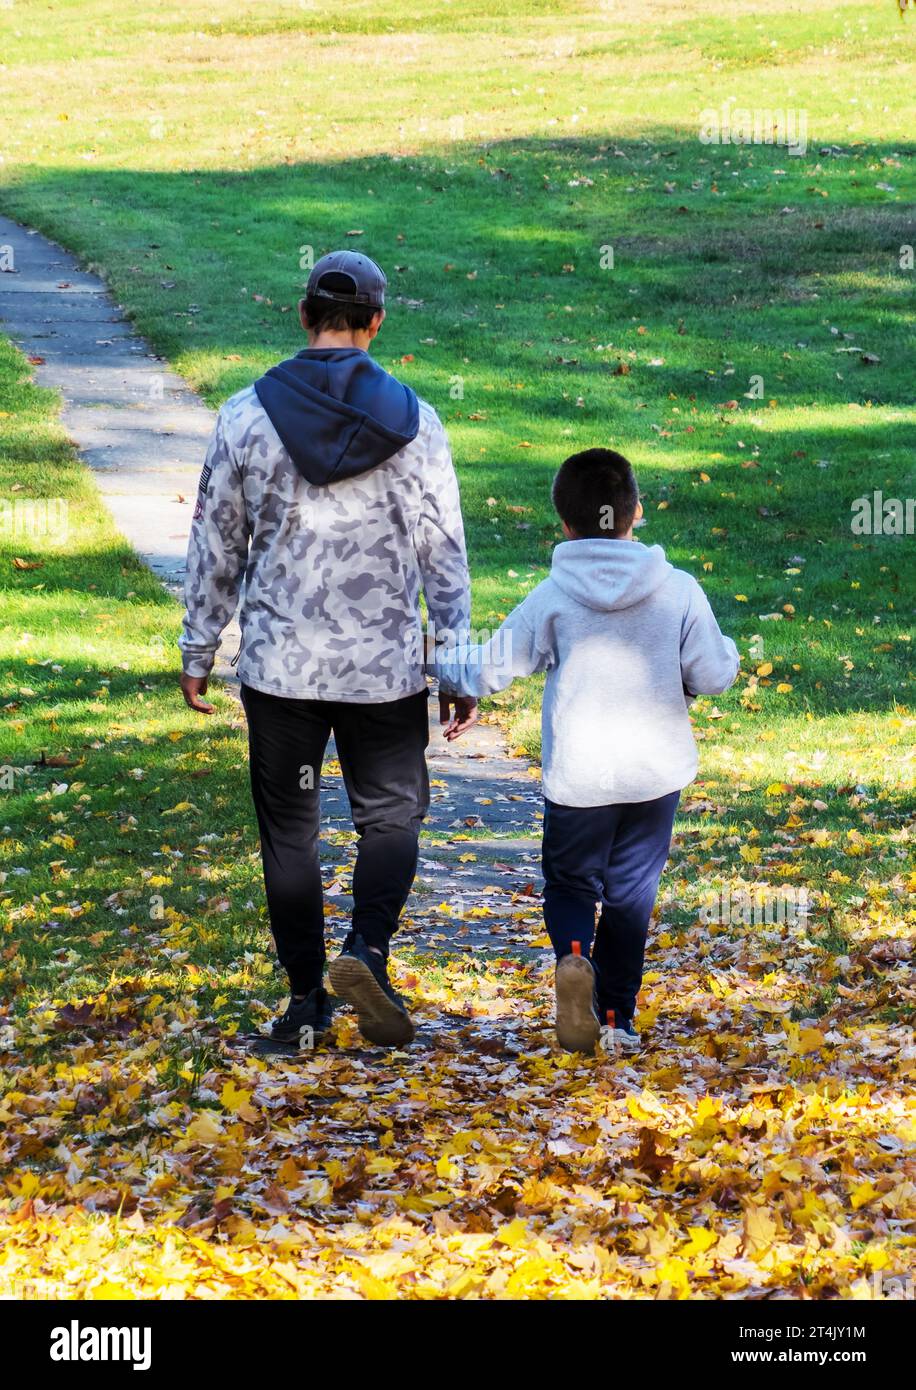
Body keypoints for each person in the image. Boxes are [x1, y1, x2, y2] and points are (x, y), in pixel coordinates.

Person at [179, 250, 476, 1048]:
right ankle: (367, 951)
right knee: (391, 817)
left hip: (282, 667)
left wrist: (199, 644)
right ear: (377, 322)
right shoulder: (415, 421)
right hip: (381, 669)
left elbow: (216, 541)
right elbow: (442, 552)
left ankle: (305, 1001)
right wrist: (457, 663)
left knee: (291, 829)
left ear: (303, 315)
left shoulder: (246, 415)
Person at [430, 447, 739, 1054]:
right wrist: (721, 652)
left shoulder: (554, 595)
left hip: (580, 777)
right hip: (653, 774)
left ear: (565, 524)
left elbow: (493, 666)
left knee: (572, 886)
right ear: (636, 513)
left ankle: (574, 957)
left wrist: (441, 665)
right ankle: (618, 1019)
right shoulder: (677, 590)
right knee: (630, 898)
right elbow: (711, 672)